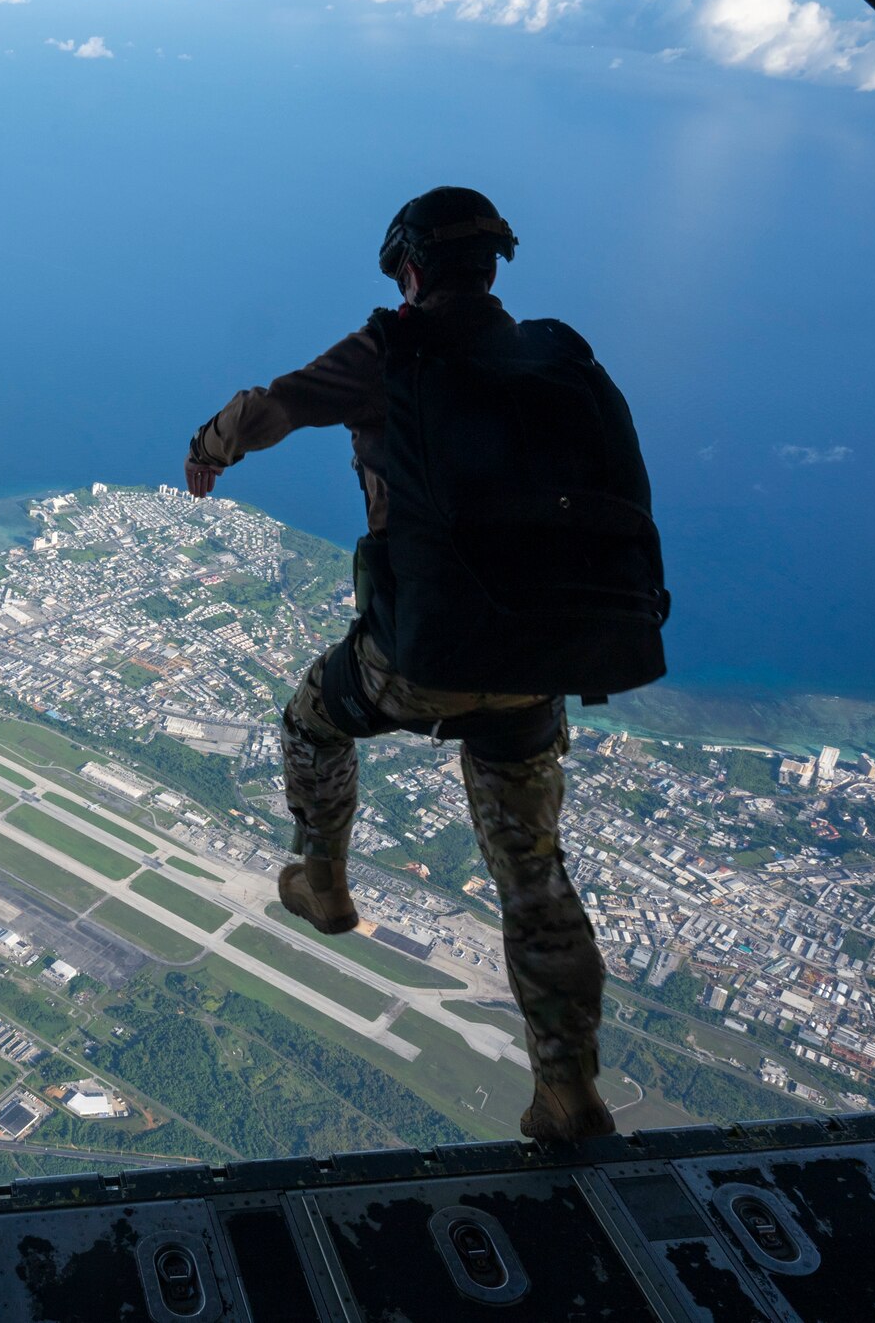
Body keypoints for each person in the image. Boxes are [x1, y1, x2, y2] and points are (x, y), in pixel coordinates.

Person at [184, 187, 665, 1144]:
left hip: (421, 653)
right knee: (534, 875)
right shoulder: (555, 360)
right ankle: (569, 1089)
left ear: (407, 268)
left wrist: (207, 450)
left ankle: (321, 876)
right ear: (493, 267)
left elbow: (270, 409)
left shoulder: (390, 351)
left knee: (310, 716)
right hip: (539, 663)